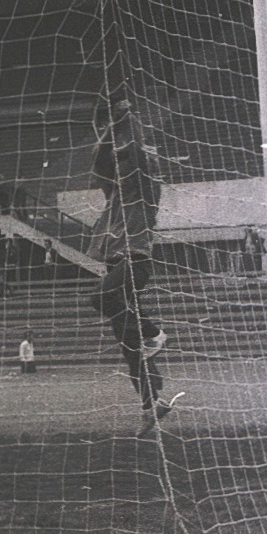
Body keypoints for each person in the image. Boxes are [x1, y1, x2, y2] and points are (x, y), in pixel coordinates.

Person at [87, 86, 175, 435]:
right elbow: (101, 159)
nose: (122, 165)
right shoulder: (117, 193)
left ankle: (155, 333)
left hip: (135, 262)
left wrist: (126, 116)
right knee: (128, 345)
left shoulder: (146, 189)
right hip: (117, 264)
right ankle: (151, 403)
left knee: (101, 298)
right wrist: (108, 122)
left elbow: (135, 152)